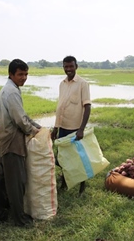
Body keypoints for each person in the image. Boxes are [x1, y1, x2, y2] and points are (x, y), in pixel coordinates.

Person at [0, 59, 41, 227]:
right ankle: (19, 219)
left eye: (26, 74)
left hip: (1, 139)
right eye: (20, 74)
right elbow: (20, 120)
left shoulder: (9, 88)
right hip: (11, 141)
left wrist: (37, 125)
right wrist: (36, 132)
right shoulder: (12, 92)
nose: (24, 78)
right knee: (15, 182)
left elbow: (22, 114)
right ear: (11, 74)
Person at [51, 55, 91, 195]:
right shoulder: (62, 84)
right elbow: (60, 106)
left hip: (75, 129)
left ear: (76, 67)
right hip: (63, 126)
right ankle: (65, 181)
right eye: (66, 66)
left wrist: (81, 129)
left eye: (71, 66)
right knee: (62, 157)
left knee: (78, 157)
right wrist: (55, 127)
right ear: (63, 67)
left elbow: (87, 107)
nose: (68, 69)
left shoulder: (82, 84)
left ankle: (82, 184)